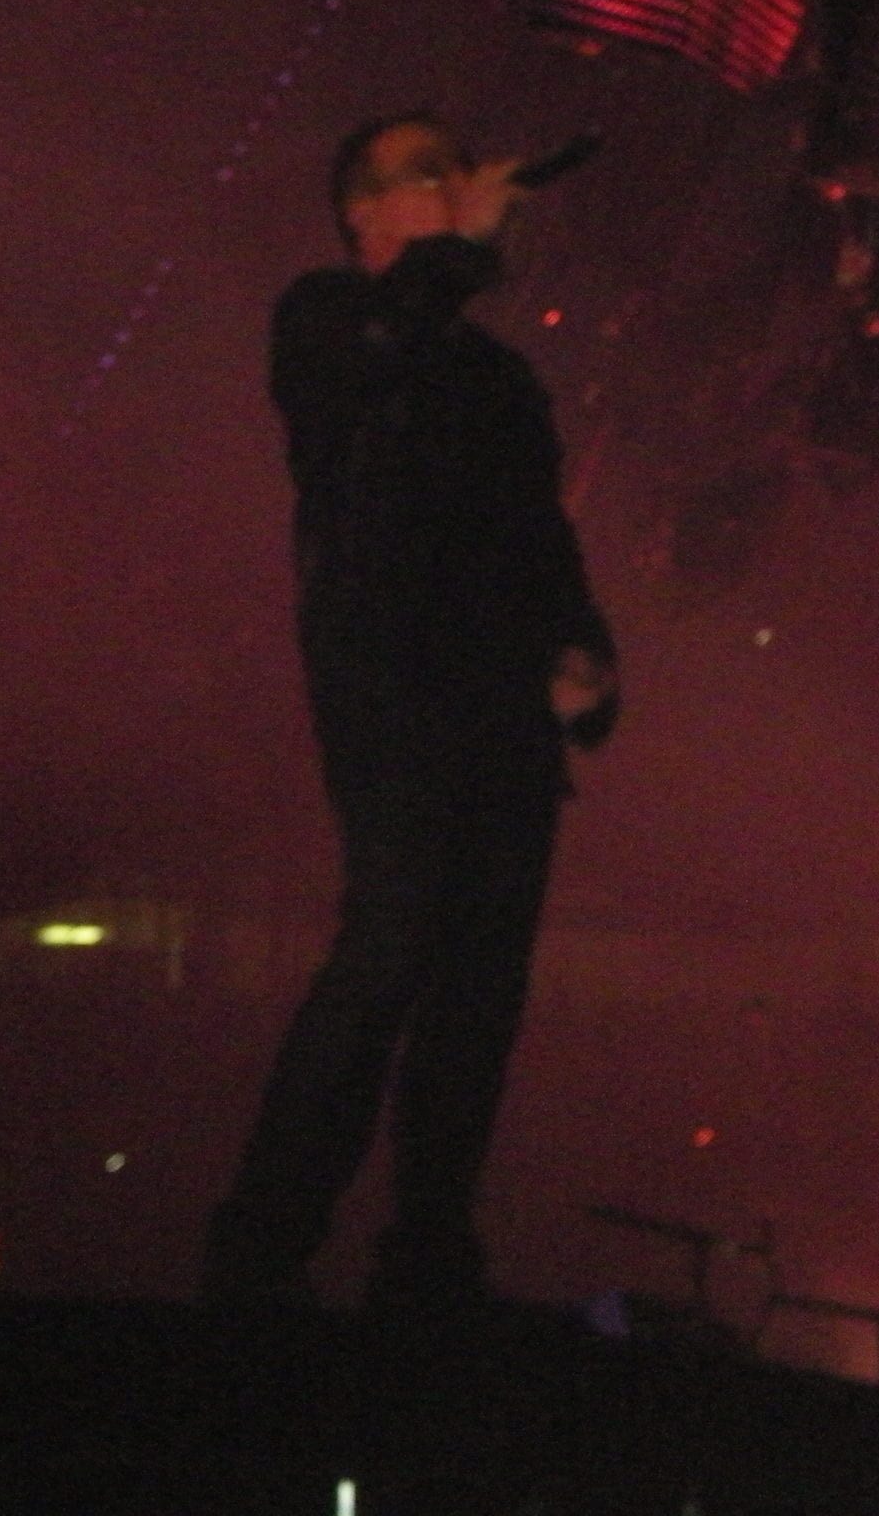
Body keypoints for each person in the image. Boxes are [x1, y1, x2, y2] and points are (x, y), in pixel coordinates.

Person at [203, 114, 619, 1313]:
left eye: (455, 167)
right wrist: (460, 251)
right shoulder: (326, 317)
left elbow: (542, 538)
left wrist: (586, 656)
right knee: (387, 944)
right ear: (363, 211)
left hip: (503, 702)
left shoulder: (499, 378)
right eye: (427, 173)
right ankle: (262, 1246)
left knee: (479, 987)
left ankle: (429, 1256)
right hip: (390, 680)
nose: (456, 183)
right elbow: (374, 367)